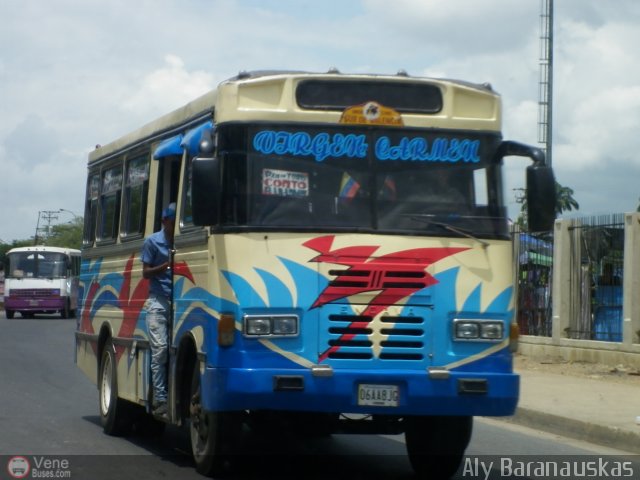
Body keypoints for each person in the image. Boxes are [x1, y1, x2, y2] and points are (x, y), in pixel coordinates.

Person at [141, 202, 176, 416]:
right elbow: (145, 273)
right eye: (172, 222)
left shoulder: (180, 242)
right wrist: (165, 266)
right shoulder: (153, 242)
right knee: (160, 349)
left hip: (178, 301)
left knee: (173, 351)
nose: (174, 226)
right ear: (165, 221)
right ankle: (160, 399)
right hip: (158, 301)